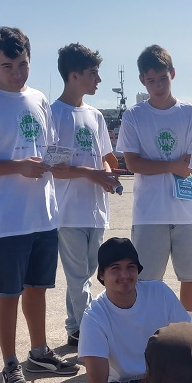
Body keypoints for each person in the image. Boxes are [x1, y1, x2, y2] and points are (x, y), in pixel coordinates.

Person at [0, 27, 79, 383]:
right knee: (7, 293)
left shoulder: (39, 99)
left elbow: (47, 147)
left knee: (38, 288)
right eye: (7, 65)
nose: (17, 72)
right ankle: (10, 363)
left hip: (44, 213)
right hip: (6, 218)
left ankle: (39, 353)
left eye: (23, 64)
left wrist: (53, 162)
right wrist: (16, 166)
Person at [59, 238, 189, 383]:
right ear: (101, 276)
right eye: (115, 268)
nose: (125, 275)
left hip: (164, 382)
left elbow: (189, 341)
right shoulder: (94, 316)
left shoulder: (159, 291)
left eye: (131, 267)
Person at [117, 45, 192, 324]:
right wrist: (170, 166)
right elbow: (132, 163)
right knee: (145, 281)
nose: (157, 86)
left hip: (186, 211)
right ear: (143, 80)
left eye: (163, 79)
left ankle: (189, 331)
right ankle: (146, 334)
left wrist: (159, 164)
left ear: (173, 74)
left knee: (191, 277)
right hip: (149, 213)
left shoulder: (191, 114)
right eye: (151, 80)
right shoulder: (134, 115)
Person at [52, 43, 120, 349]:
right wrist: (92, 173)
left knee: (88, 274)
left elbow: (107, 157)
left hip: (96, 208)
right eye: (93, 74)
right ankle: (93, 335)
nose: (99, 80)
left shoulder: (95, 115)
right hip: (68, 210)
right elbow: (56, 170)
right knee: (79, 277)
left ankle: (75, 326)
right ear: (74, 75)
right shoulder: (54, 115)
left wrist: (107, 173)